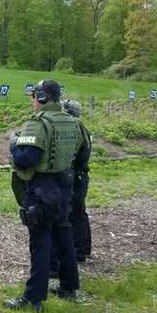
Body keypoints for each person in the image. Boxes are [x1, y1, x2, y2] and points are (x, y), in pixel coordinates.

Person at [5, 80, 83, 312]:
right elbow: (78, 154)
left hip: (42, 186)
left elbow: (26, 158)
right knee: (64, 235)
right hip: (64, 185)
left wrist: (14, 145)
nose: (32, 101)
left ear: (41, 97)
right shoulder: (72, 122)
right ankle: (69, 286)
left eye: (33, 96)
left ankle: (33, 298)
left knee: (40, 242)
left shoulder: (37, 124)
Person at [62, 99, 92, 261]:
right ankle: (84, 248)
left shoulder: (76, 128)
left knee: (75, 212)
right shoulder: (82, 127)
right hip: (80, 174)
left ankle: (79, 250)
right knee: (79, 211)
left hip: (76, 174)